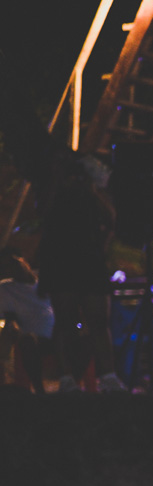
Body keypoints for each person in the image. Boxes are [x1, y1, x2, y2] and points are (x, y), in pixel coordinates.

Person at [34, 159, 126, 392]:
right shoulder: (53, 188)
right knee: (65, 320)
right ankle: (66, 378)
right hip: (61, 259)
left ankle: (108, 375)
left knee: (99, 320)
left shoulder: (91, 193)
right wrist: (56, 179)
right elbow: (43, 212)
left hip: (89, 260)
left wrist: (91, 189)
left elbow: (111, 219)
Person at [0, 249, 52, 393]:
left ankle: (74, 387)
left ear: (23, 260)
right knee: (28, 341)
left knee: (83, 336)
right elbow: (10, 319)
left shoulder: (45, 284)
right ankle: (39, 390)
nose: (12, 268)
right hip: (32, 338)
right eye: (6, 267)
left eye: (13, 262)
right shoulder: (6, 288)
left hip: (57, 334)